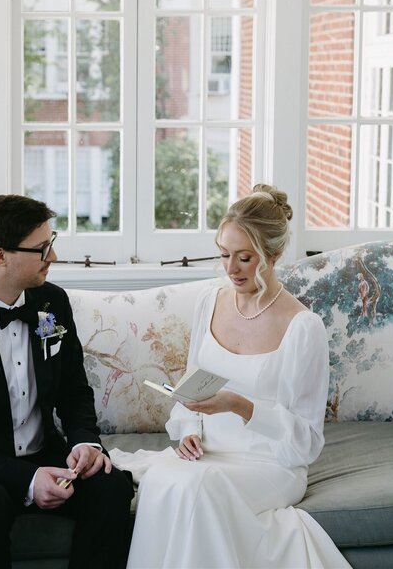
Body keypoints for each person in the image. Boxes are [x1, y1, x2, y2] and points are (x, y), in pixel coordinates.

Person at [111, 184, 350, 568]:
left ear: (273, 254)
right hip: (207, 454)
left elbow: (306, 442)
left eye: (244, 257)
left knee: (198, 490)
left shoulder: (304, 327)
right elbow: (192, 385)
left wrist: (238, 405)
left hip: (270, 464)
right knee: (163, 482)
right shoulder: (210, 302)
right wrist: (189, 429)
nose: (230, 269)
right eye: (224, 255)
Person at [0, 194, 134, 569]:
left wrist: (84, 441)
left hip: (44, 452)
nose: (53, 257)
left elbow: (73, 388)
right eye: (42, 248)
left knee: (111, 486)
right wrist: (29, 479)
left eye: (52, 243)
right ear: (0, 256)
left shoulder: (51, 304)